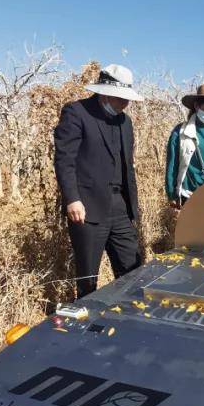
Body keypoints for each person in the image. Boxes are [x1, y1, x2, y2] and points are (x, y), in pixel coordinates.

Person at [53, 64, 144, 298]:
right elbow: (65, 160)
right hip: (88, 207)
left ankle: (127, 319)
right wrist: (73, 199)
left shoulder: (125, 122)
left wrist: (133, 206)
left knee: (132, 270)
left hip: (121, 206)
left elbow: (128, 166)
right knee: (87, 276)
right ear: (104, 93)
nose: (126, 103)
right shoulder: (77, 112)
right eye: (120, 98)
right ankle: (87, 324)